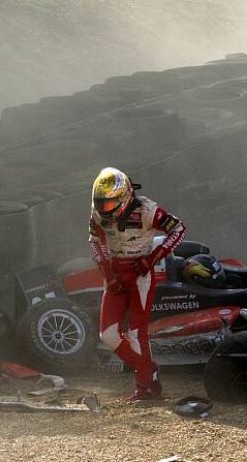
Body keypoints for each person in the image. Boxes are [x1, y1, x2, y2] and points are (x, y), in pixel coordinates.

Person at [88, 167, 186, 401]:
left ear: (124, 196)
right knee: (108, 335)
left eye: (110, 204)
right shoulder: (97, 211)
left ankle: (145, 387)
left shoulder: (147, 209)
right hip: (113, 274)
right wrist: (106, 271)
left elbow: (178, 228)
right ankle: (148, 369)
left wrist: (152, 258)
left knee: (135, 333)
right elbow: (94, 239)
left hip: (140, 273)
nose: (105, 209)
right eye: (100, 203)